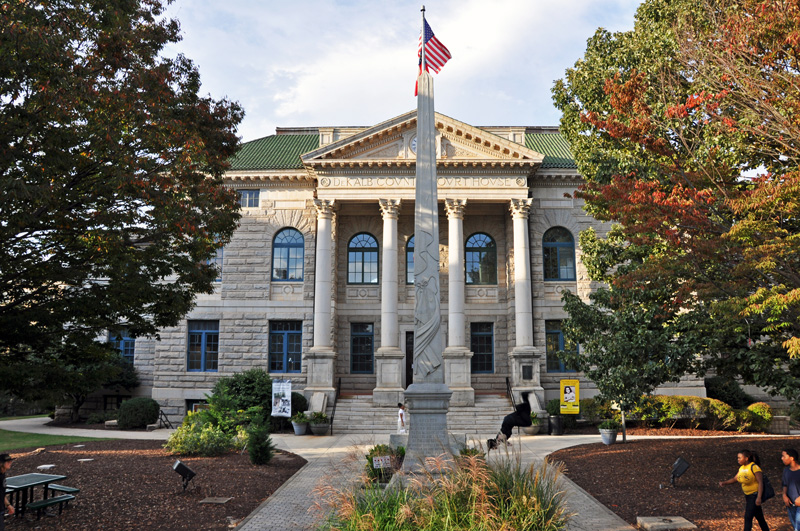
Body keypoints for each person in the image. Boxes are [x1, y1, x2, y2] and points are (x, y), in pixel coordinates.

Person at [718, 449, 770, 531]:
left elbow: (760, 482)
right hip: (748, 496)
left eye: (740, 458)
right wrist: (724, 483)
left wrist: (759, 497)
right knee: (759, 517)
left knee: (748, 516)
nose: (738, 460)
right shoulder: (742, 468)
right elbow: (735, 479)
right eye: (737, 458)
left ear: (746, 458)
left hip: (754, 495)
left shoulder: (754, 467)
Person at [782, 448, 800, 531]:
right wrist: (784, 495)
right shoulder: (786, 471)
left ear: (792, 458)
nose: (782, 458)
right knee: (795, 526)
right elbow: (785, 484)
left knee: (797, 528)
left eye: (784, 456)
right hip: (790, 504)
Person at [1, 453, 15, 530]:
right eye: (7, 462)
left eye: (10, 461)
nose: (10, 463)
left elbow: (1, 493)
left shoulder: (2, 474)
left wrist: (8, 505)